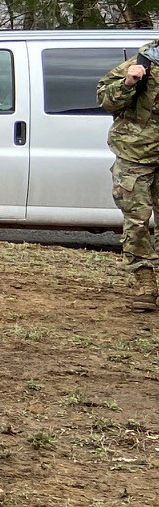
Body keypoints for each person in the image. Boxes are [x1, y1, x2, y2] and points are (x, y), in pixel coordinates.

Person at [100, 44, 159, 311]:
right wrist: (129, 82)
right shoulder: (143, 62)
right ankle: (144, 282)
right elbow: (105, 99)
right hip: (135, 155)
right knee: (137, 221)